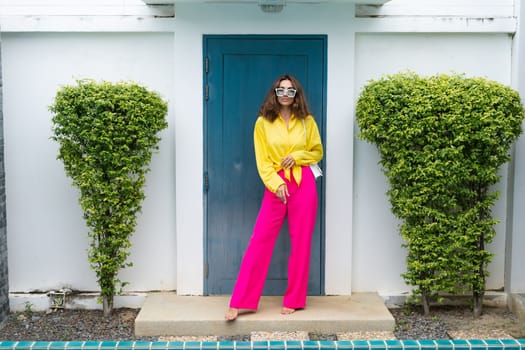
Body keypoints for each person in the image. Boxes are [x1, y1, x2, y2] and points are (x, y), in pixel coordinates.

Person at [224, 74, 323, 321]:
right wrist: (276, 183)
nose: (286, 95)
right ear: (275, 93)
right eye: (282, 90)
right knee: (260, 241)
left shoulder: (307, 121)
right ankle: (241, 301)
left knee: (301, 243)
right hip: (276, 184)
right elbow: (263, 161)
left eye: (291, 91)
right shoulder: (262, 123)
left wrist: (298, 156)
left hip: (304, 183)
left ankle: (295, 300)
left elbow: (317, 151)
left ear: (297, 94)